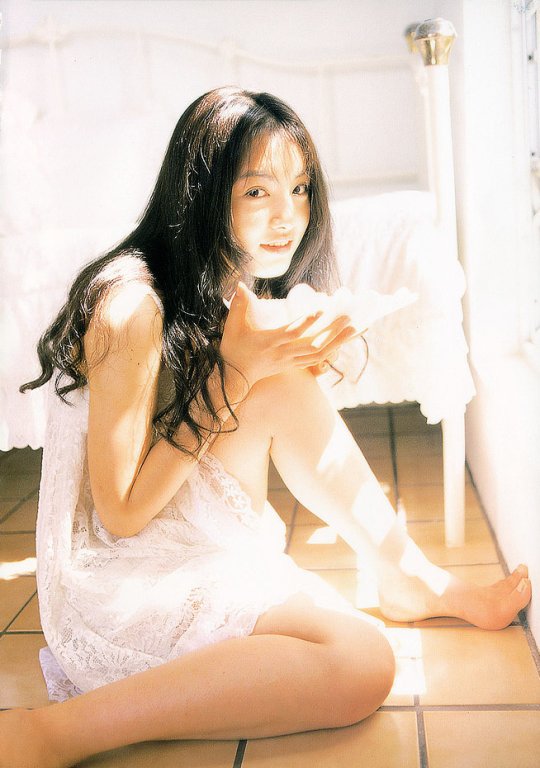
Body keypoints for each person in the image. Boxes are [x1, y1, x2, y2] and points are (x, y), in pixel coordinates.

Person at [1, 87, 531, 768]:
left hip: (178, 528)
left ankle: (405, 575)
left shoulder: (226, 283)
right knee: (363, 663)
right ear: (203, 194)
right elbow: (121, 515)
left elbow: (231, 408)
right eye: (258, 192)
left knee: (281, 382)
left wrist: (270, 361)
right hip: (118, 574)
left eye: (300, 189)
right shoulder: (130, 307)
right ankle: (54, 733)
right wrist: (237, 373)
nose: (289, 217)